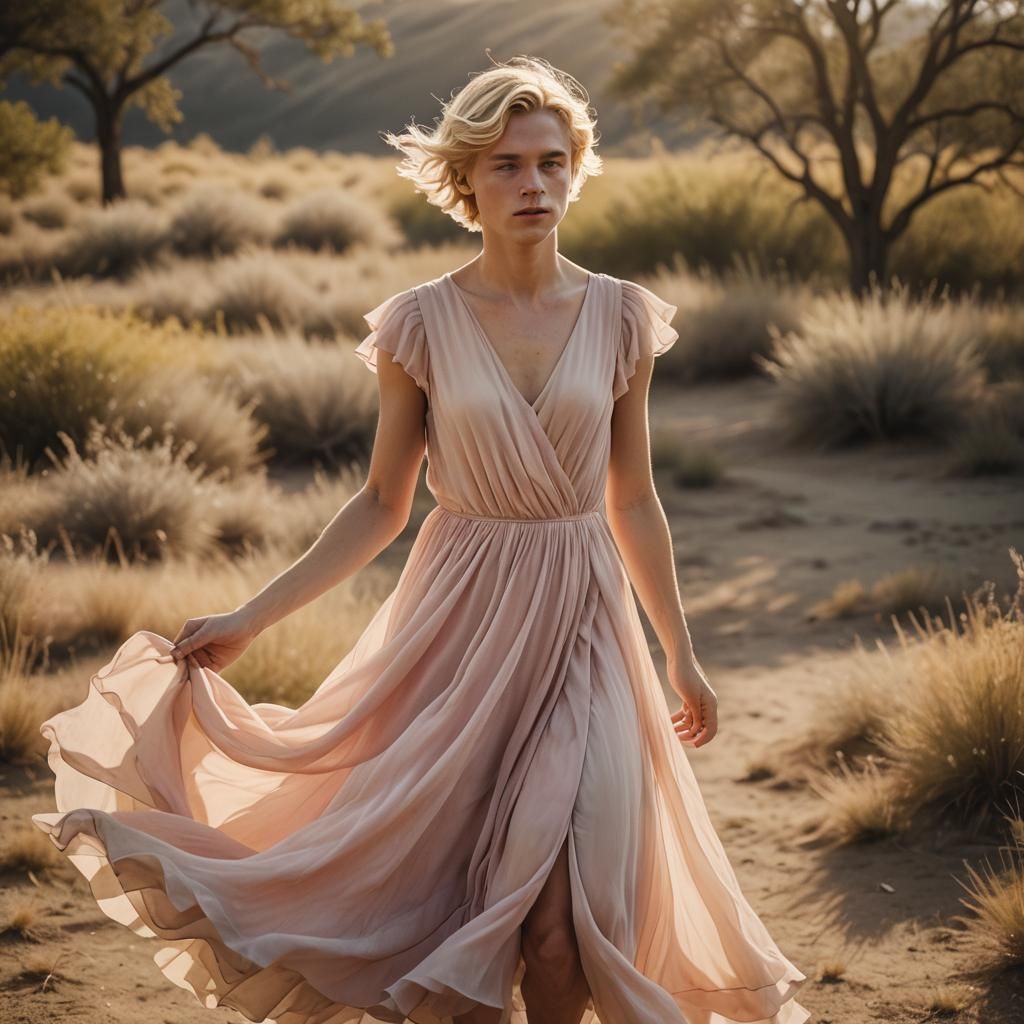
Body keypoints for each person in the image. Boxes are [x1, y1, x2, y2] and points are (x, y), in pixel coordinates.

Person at [32, 55, 809, 1024]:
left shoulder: (619, 314)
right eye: (507, 165)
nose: (534, 184)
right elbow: (378, 504)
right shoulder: (420, 323)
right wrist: (250, 617)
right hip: (460, 627)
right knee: (462, 898)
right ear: (465, 182)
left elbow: (635, 498)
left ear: (576, 170)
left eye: (553, 162)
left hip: (586, 623)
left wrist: (679, 652)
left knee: (564, 926)